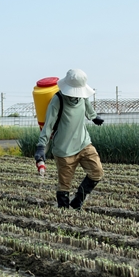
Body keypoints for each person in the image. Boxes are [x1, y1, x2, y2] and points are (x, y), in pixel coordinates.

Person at [35, 69, 105, 209]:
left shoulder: (83, 97)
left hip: (84, 144)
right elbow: (48, 126)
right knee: (64, 185)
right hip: (64, 150)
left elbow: (88, 109)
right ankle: (64, 211)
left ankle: (78, 201)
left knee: (97, 172)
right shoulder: (57, 100)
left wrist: (94, 117)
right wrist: (41, 147)